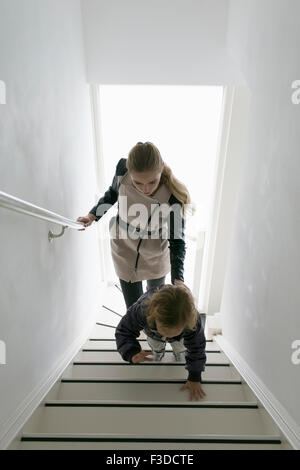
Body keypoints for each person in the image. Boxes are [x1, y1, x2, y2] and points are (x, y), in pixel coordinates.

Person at [77, 141, 192, 309]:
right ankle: (136, 333)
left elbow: (177, 241)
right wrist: (92, 215)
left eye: (152, 182)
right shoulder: (122, 170)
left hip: (156, 255)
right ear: (129, 172)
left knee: (155, 307)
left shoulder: (172, 197)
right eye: (138, 183)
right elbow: (112, 194)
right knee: (133, 309)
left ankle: (151, 333)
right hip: (123, 248)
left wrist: (178, 278)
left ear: (161, 170)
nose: (145, 189)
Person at [115, 284, 207, 401]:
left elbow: (197, 347)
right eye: (164, 330)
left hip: (180, 338)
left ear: (185, 324)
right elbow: (124, 330)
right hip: (153, 334)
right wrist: (131, 351)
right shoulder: (142, 310)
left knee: (180, 346)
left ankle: (179, 353)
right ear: (153, 317)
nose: (167, 336)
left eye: (174, 331)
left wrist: (195, 376)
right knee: (155, 344)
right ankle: (158, 352)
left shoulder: (193, 321)